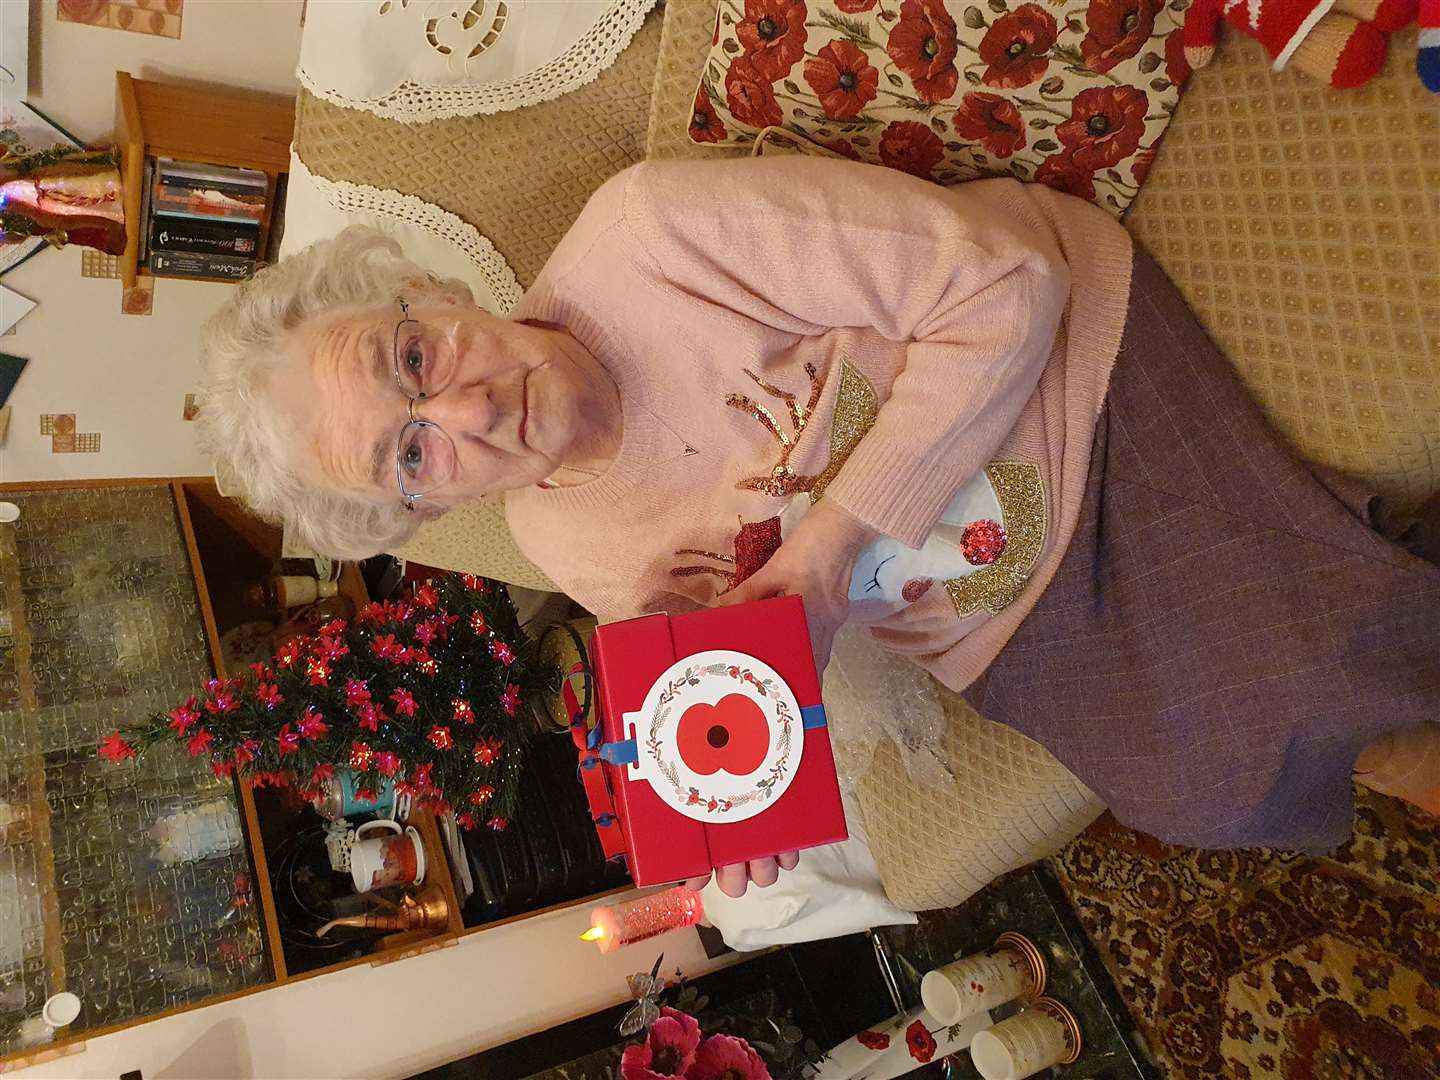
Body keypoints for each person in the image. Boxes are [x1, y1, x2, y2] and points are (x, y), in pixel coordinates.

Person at [197, 156, 1440, 896]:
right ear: (424, 510)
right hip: (985, 623)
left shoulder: (653, 233)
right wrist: (740, 790)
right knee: (1202, 789)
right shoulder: (558, 546)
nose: (466, 407)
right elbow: (775, 657)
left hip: (1075, 410)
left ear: (434, 293)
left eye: (413, 354)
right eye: (412, 451)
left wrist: (828, 554)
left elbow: (1013, 284)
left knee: (1316, 674)